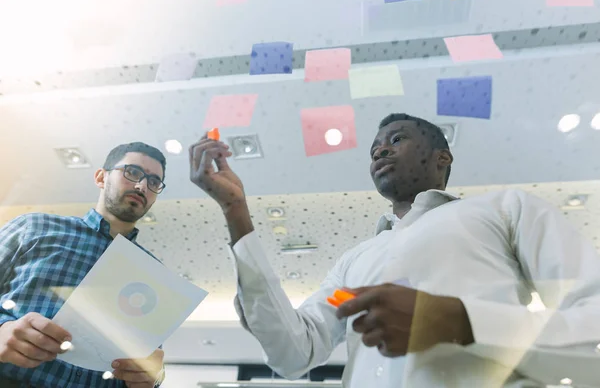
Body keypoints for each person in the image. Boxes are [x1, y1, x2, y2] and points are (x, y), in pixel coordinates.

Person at [189, 113, 600, 387]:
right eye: (374, 150)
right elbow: (295, 350)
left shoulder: (506, 210)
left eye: (396, 140)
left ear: (443, 157)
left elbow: (592, 320)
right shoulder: (353, 267)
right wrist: (236, 212)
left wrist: (459, 321)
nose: (380, 151)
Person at [0, 142, 167, 388]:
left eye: (153, 182)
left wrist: (154, 377)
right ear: (101, 177)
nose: (142, 185)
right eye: (132, 172)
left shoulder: (154, 273)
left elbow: (149, 359)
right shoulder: (33, 227)